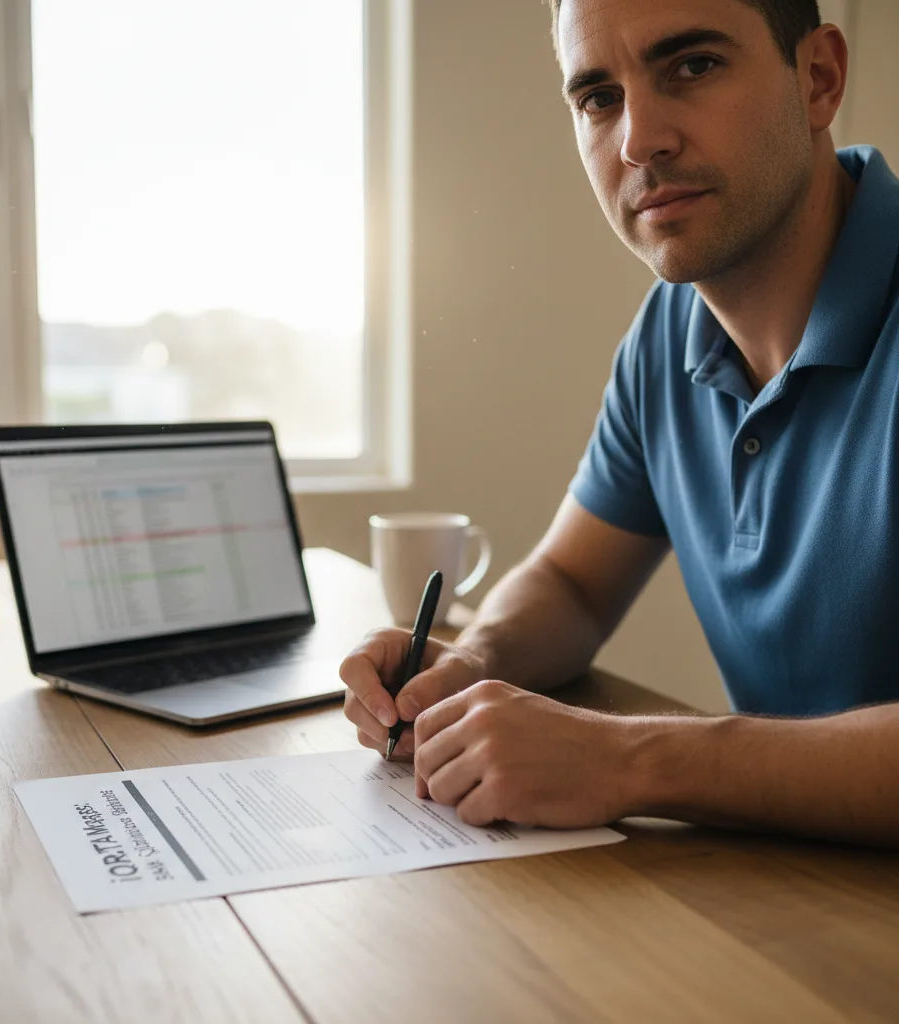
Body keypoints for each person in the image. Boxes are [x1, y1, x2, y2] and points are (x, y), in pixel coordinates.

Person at [339, 0, 899, 847]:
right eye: (598, 97)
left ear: (817, 79)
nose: (640, 139)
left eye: (694, 66)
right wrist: (471, 664)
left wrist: (633, 760)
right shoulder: (667, 333)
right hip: (793, 889)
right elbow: (572, 581)